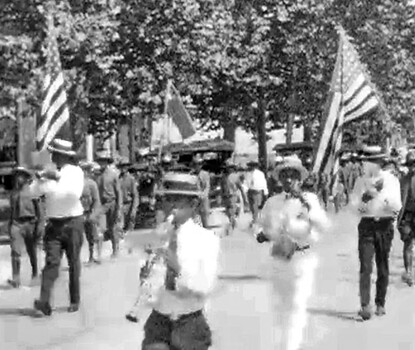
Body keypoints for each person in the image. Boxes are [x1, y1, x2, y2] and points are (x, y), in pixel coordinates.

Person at [254, 156, 329, 350]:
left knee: (296, 306)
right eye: (284, 176)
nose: (288, 180)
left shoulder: (310, 200)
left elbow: (324, 226)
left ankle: (290, 346)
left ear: (300, 178)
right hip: (279, 259)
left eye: (293, 176)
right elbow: (261, 228)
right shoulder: (272, 202)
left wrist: (308, 209)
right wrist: (267, 235)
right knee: (280, 308)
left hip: (302, 259)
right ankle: (283, 344)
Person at [141, 172, 220, 350]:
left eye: (177, 200)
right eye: (167, 199)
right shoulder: (158, 236)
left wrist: (178, 270)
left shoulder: (206, 239)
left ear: (193, 205)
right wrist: (146, 275)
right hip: (159, 321)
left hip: (190, 323)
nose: (170, 206)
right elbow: (150, 289)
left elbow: (205, 286)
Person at [30, 139, 85, 316]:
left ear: (64, 156)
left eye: (55, 153)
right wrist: (41, 180)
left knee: (73, 262)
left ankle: (74, 299)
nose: (52, 156)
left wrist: (56, 177)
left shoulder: (75, 172)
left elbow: (73, 194)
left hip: (73, 221)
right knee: (51, 262)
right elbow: (33, 192)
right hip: (54, 224)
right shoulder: (50, 170)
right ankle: (44, 300)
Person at [349, 145, 402, 320]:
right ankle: (365, 304)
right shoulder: (360, 181)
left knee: (382, 265)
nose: (369, 165)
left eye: (373, 161)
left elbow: (397, 205)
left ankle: (380, 302)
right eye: (367, 161)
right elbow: (353, 208)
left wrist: (383, 200)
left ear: (380, 162)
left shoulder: (391, 181)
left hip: (385, 225)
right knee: (365, 266)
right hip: (367, 225)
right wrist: (364, 199)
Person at [7, 167, 43, 288]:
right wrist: (10, 226)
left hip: (31, 223)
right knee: (15, 250)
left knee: (31, 251)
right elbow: (12, 211)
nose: (18, 178)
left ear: (26, 178)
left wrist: (40, 225)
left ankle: (35, 274)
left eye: (20, 175)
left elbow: (39, 210)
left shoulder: (33, 192)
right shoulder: (13, 193)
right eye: (16, 176)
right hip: (17, 224)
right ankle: (16, 278)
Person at [96, 150, 122, 258]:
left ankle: (115, 250)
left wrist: (119, 208)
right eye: (100, 161)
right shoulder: (97, 175)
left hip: (112, 202)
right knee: (100, 228)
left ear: (107, 163)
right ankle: (98, 253)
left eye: (104, 161)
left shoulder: (113, 175)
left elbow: (118, 192)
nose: (102, 164)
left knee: (113, 228)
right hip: (101, 204)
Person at [80, 161, 103, 265]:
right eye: (83, 170)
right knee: (82, 237)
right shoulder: (75, 183)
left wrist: (93, 214)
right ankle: (86, 257)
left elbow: (96, 200)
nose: (85, 172)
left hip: (90, 212)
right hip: (79, 213)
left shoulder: (91, 184)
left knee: (94, 236)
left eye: (86, 170)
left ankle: (96, 256)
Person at [397, 150, 415, 286]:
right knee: (408, 244)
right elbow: (399, 201)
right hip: (408, 216)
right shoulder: (403, 180)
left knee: (408, 246)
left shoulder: (404, 180)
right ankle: (408, 272)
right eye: (410, 164)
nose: (412, 167)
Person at [220, 159, 243, 233]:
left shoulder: (235, 176)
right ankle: (233, 222)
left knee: (231, 210)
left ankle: (233, 225)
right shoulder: (223, 177)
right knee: (228, 211)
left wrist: (244, 197)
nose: (229, 169)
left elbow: (240, 187)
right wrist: (221, 196)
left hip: (232, 195)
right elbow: (222, 187)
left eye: (230, 167)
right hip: (225, 195)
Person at [118, 158, 139, 236]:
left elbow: (135, 195)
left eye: (125, 166)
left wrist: (133, 209)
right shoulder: (118, 179)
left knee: (129, 229)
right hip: (119, 205)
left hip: (128, 205)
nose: (123, 168)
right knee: (119, 227)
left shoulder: (131, 179)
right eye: (121, 166)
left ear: (127, 167)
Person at [247, 160, 268, 225]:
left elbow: (263, 183)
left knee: (255, 206)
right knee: (252, 207)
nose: (251, 167)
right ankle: (255, 219)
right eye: (250, 165)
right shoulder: (248, 173)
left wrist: (265, 192)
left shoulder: (260, 173)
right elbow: (246, 183)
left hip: (257, 191)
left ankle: (255, 221)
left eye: (253, 166)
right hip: (250, 191)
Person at [192, 154, 211, 228]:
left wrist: (203, 195)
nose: (197, 166)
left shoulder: (205, 174)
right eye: (196, 164)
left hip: (203, 198)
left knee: (205, 218)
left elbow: (207, 186)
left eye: (199, 164)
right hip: (193, 199)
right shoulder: (191, 174)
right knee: (193, 219)